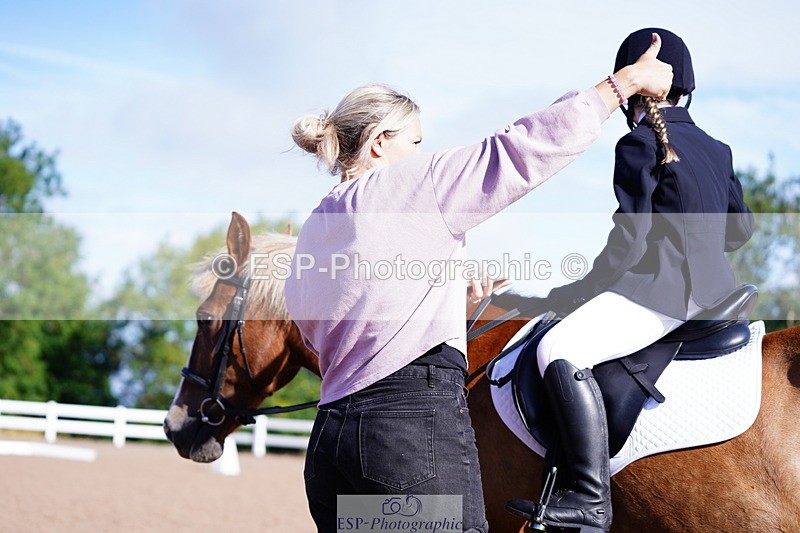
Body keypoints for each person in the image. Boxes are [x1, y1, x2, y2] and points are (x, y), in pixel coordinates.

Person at [283, 34, 673, 533]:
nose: (422, 152)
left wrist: (446, 295)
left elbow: (333, 328)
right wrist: (624, 84)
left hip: (332, 442)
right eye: (415, 142)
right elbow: (519, 151)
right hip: (407, 429)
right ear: (380, 142)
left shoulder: (317, 225)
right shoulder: (414, 184)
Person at [505, 28, 755, 532]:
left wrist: (572, 295)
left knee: (557, 349)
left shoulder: (639, 142)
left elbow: (629, 244)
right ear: (686, 89)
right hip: (715, 295)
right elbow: (740, 231)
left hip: (661, 297)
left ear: (630, 92)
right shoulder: (717, 148)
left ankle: (588, 497)